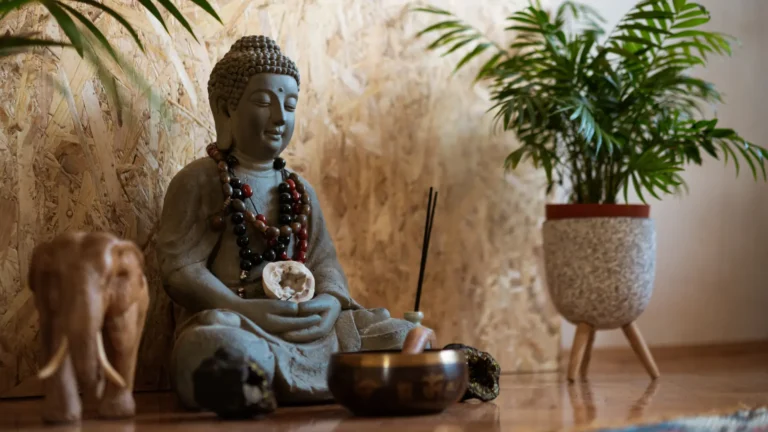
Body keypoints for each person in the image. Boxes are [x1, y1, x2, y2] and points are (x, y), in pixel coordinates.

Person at [156, 35, 417, 409]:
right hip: (239, 321)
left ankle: (257, 383)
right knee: (213, 345)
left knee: (398, 333)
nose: (280, 117)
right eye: (264, 102)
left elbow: (324, 263)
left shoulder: (299, 189)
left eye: (290, 105)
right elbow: (180, 269)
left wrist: (329, 303)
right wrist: (240, 307)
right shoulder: (200, 180)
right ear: (226, 110)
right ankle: (252, 381)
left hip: (308, 325)